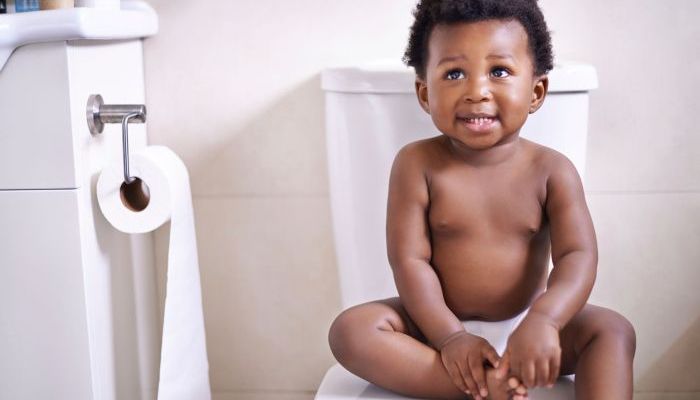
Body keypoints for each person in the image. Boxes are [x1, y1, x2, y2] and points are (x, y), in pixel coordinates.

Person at [328, 1, 636, 399]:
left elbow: (578, 256)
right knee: (350, 330)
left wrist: (546, 320)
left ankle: (490, 382)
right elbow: (409, 261)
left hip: (529, 327)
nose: (476, 91)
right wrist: (450, 337)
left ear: (537, 91)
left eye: (499, 71)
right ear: (425, 93)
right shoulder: (416, 164)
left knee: (612, 331)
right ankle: (482, 387)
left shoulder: (552, 171)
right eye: (454, 73)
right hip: (434, 328)